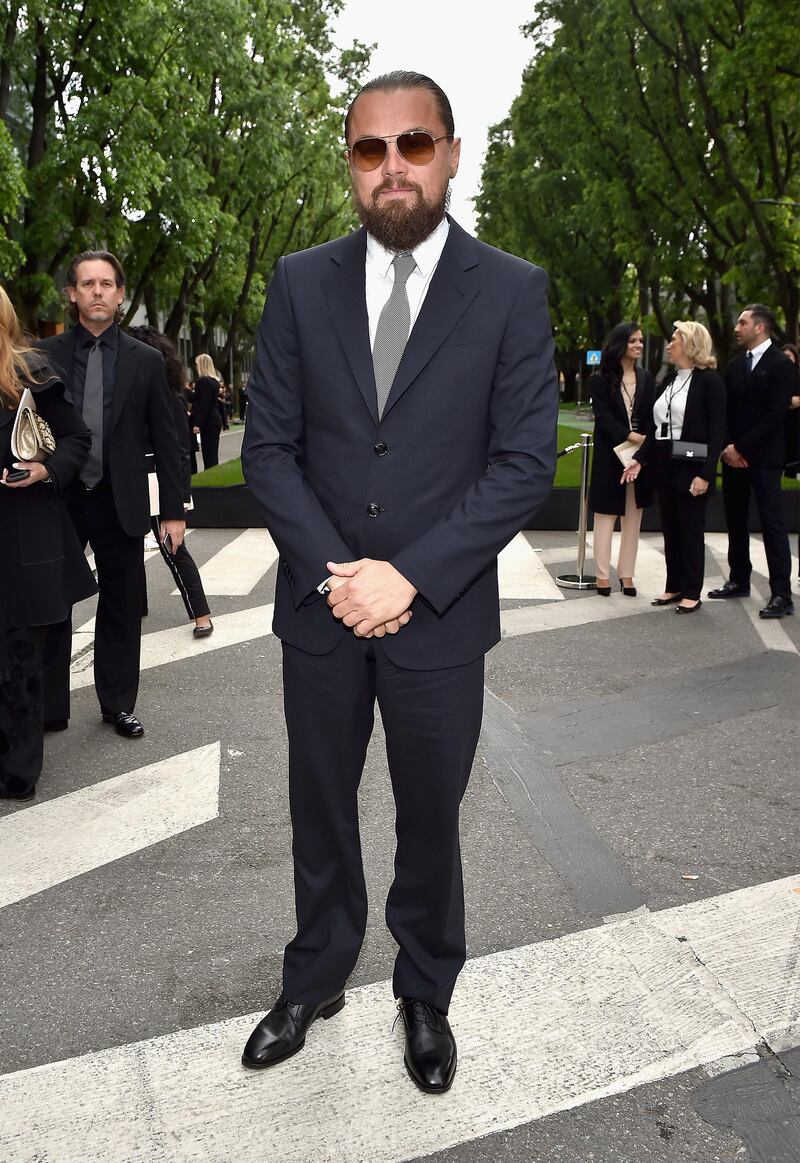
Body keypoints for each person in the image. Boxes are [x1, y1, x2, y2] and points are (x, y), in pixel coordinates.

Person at [240, 70, 558, 1093]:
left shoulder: (510, 289)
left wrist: (410, 579)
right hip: (323, 608)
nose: (391, 168)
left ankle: (424, 989)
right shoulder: (297, 281)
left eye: (412, 145)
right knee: (319, 808)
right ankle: (317, 971)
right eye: (370, 149)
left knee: (430, 816)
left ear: (450, 154)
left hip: (440, 616)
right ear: (350, 164)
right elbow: (267, 450)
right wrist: (343, 577)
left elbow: (522, 459)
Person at [38, 251, 186, 738]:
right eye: (87, 284)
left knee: (121, 605)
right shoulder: (43, 358)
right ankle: (48, 707)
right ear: (73, 294)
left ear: (121, 295)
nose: (97, 291)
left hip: (120, 499)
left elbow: (169, 441)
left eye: (106, 284)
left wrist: (173, 511)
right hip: (58, 499)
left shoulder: (146, 362)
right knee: (52, 603)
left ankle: (118, 703)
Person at [0, 286, 97, 800]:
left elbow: (77, 440)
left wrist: (45, 469)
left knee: (20, 657)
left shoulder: (30, 374)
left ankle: (18, 769)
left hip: (24, 535)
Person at [622, 321, 726, 613]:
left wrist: (706, 474)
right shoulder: (669, 380)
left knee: (690, 528)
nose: (669, 344)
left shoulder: (709, 381)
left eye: (674, 339)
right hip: (665, 461)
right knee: (670, 527)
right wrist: (640, 459)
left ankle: (692, 590)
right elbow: (656, 430)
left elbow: (717, 433)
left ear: (690, 344)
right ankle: (674, 585)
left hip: (692, 461)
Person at [708, 304, 795, 618]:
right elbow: (726, 411)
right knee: (735, 521)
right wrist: (729, 448)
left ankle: (781, 594)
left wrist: (741, 447)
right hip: (734, 459)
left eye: (742, 322)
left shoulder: (782, 365)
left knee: (772, 524)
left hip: (765, 459)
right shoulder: (734, 366)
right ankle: (738, 579)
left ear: (759, 327)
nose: (736, 327)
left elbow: (776, 415)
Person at [127, 326, 214, 638]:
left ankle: (201, 615)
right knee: (128, 548)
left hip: (160, 486)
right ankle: (136, 607)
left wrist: (176, 500)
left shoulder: (170, 400)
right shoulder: (133, 397)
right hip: (132, 483)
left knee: (174, 550)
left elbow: (179, 453)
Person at [587, 323, 655, 595]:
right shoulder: (599, 379)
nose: (639, 345)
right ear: (620, 344)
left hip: (638, 458)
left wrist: (642, 442)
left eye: (640, 341)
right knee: (605, 517)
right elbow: (603, 418)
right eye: (633, 341)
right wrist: (630, 435)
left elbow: (650, 414)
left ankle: (627, 575)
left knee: (633, 518)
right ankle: (602, 575)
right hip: (610, 455)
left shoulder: (647, 378)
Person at [190, 354, 223, 469]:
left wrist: (197, 423)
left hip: (208, 422)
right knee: (212, 453)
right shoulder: (214, 381)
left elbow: (204, 404)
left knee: (208, 454)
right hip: (214, 420)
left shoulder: (203, 381)